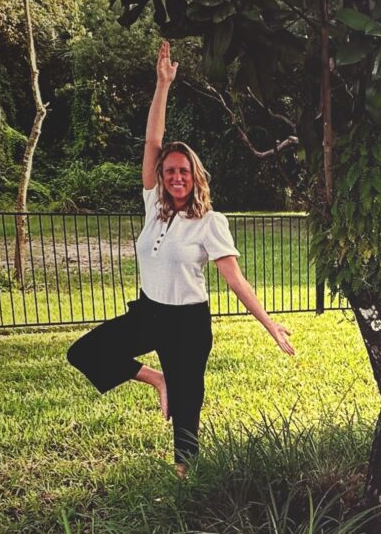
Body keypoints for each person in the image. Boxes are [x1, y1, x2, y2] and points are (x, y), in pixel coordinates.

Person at [67, 41, 295, 475]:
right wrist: (162, 84)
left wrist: (269, 323)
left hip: (188, 324)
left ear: (195, 177)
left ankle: (183, 477)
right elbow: (153, 139)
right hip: (148, 313)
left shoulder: (210, 222)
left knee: (188, 407)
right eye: (169, 170)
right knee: (86, 352)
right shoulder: (152, 205)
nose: (174, 176)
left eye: (183, 171)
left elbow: (234, 279)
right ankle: (157, 379)